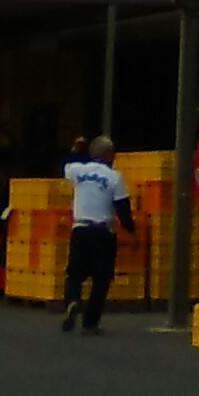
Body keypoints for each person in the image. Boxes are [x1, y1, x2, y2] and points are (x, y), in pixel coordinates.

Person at [61, 135, 135, 335]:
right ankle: (90, 321)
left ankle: (72, 301)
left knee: (74, 273)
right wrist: (131, 231)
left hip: (80, 228)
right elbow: (123, 209)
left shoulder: (78, 170)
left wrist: (76, 149)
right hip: (103, 232)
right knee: (101, 278)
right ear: (109, 154)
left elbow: (65, 165)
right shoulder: (114, 177)